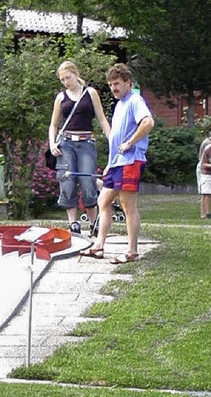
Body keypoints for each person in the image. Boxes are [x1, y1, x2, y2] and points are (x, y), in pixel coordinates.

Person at [80, 63, 154, 264]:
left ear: (128, 83)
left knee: (128, 206)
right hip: (116, 164)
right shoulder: (119, 104)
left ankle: (132, 251)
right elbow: (116, 137)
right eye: (111, 84)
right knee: (103, 201)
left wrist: (130, 142)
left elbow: (148, 122)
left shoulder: (135, 100)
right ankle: (98, 246)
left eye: (117, 84)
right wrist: (109, 164)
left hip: (131, 161)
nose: (113, 88)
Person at [49, 60, 111, 234]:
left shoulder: (90, 93)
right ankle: (73, 223)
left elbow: (102, 119)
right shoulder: (61, 97)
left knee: (87, 179)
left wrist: (111, 138)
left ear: (75, 74)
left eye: (68, 77)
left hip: (86, 141)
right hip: (66, 143)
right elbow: (53, 125)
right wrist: (52, 143)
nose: (66, 82)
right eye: (62, 80)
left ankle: (93, 222)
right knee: (67, 179)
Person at [195, 127, 211, 205]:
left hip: (209, 165)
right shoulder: (208, 143)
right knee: (204, 189)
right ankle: (204, 210)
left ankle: (207, 204)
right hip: (204, 165)